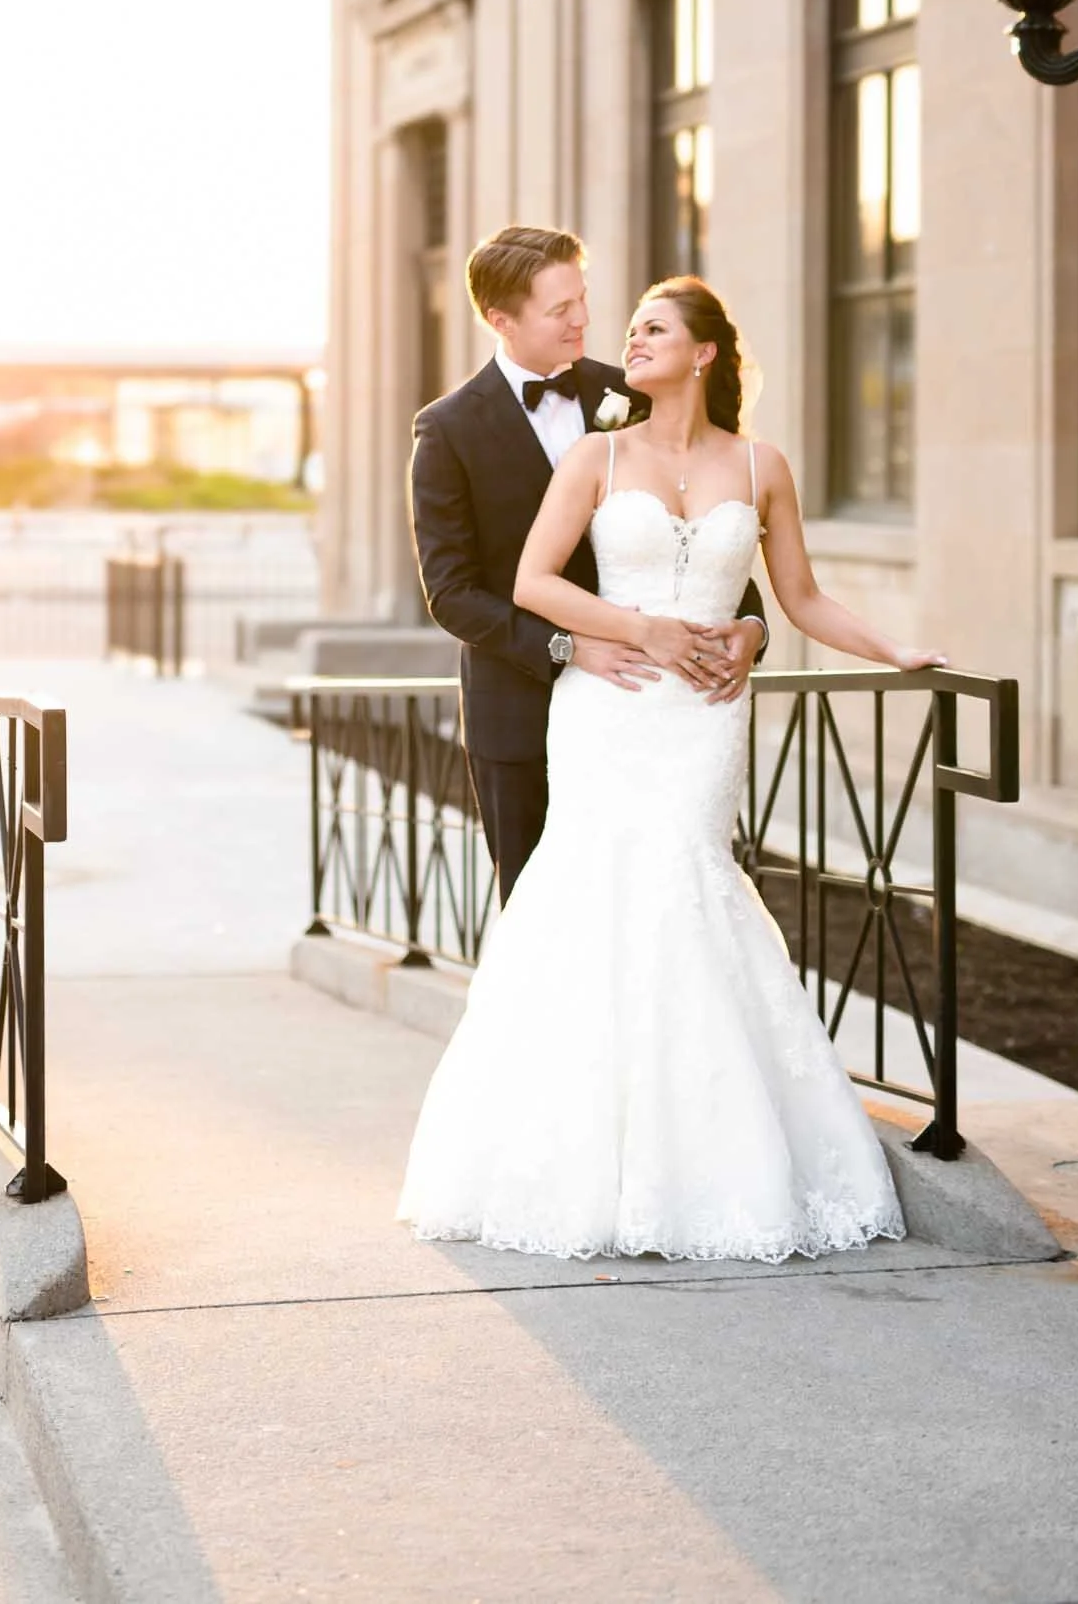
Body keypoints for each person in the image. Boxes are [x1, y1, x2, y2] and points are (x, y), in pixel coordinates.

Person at [398, 274, 946, 1264]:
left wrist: (892, 650)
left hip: (701, 723)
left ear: (701, 352)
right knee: (596, 900)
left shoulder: (760, 462)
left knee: (691, 893)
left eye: (650, 326)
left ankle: (711, 1160)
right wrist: (632, 628)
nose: (619, 336)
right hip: (606, 705)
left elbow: (801, 599)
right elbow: (527, 582)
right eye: (621, 324)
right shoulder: (593, 454)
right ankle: (575, 1157)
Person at [407, 226, 768, 905]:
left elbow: (692, 540)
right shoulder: (447, 429)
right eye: (559, 309)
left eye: (581, 298)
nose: (583, 320)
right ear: (501, 320)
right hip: (516, 711)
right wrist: (568, 647)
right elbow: (451, 593)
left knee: (650, 907)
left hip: (643, 713)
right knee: (540, 923)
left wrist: (751, 622)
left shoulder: (629, 391)